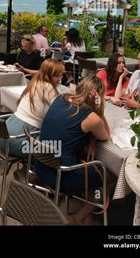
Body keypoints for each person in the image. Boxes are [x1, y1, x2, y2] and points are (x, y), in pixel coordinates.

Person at [34, 75, 110, 225]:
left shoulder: (61, 98)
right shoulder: (92, 117)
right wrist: (99, 106)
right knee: (110, 175)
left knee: (88, 160)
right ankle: (80, 216)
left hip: (40, 165)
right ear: (98, 96)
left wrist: (91, 140)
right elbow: (106, 135)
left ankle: (87, 209)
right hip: (61, 177)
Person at [0, 59, 65, 159]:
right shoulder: (48, 88)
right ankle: (34, 170)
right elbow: (63, 111)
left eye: (61, 75)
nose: (60, 79)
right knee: (62, 147)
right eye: (57, 76)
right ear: (47, 74)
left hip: (5, 136)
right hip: (19, 143)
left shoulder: (35, 82)